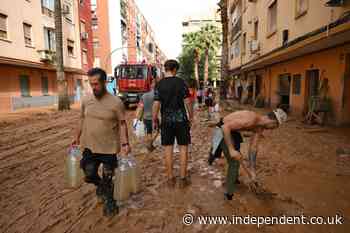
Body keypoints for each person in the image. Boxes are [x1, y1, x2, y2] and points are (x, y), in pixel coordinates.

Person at [72, 68, 131, 217]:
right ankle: (102, 187)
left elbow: (123, 124)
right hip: (89, 146)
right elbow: (81, 119)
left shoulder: (116, 102)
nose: (94, 87)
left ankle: (110, 201)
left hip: (109, 148)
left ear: (105, 82)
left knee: (108, 175)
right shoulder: (86, 99)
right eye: (91, 84)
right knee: (89, 174)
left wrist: (125, 144)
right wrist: (76, 137)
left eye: (96, 84)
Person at [208, 109, 287, 200]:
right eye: (276, 126)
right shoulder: (251, 119)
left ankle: (234, 178)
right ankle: (229, 195)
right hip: (223, 129)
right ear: (273, 121)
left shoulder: (259, 128)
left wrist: (252, 171)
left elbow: (253, 148)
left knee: (237, 155)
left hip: (233, 131)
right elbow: (225, 127)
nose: (274, 129)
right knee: (234, 162)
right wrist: (231, 150)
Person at [152, 60, 193, 188]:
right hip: (181, 120)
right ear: (175, 69)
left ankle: (170, 178)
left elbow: (156, 104)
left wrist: (154, 119)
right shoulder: (181, 82)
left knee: (168, 149)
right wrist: (191, 116)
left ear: (165, 69)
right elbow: (188, 102)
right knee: (183, 148)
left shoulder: (159, 85)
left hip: (166, 121)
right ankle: (182, 178)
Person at [135, 78, 158, 152]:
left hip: (145, 117)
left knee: (149, 132)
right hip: (155, 117)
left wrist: (139, 117)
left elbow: (141, 107)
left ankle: (150, 145)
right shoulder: (158, 95)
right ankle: (150, 144)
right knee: (157, 131)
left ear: (151, 86)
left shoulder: (144, 95)